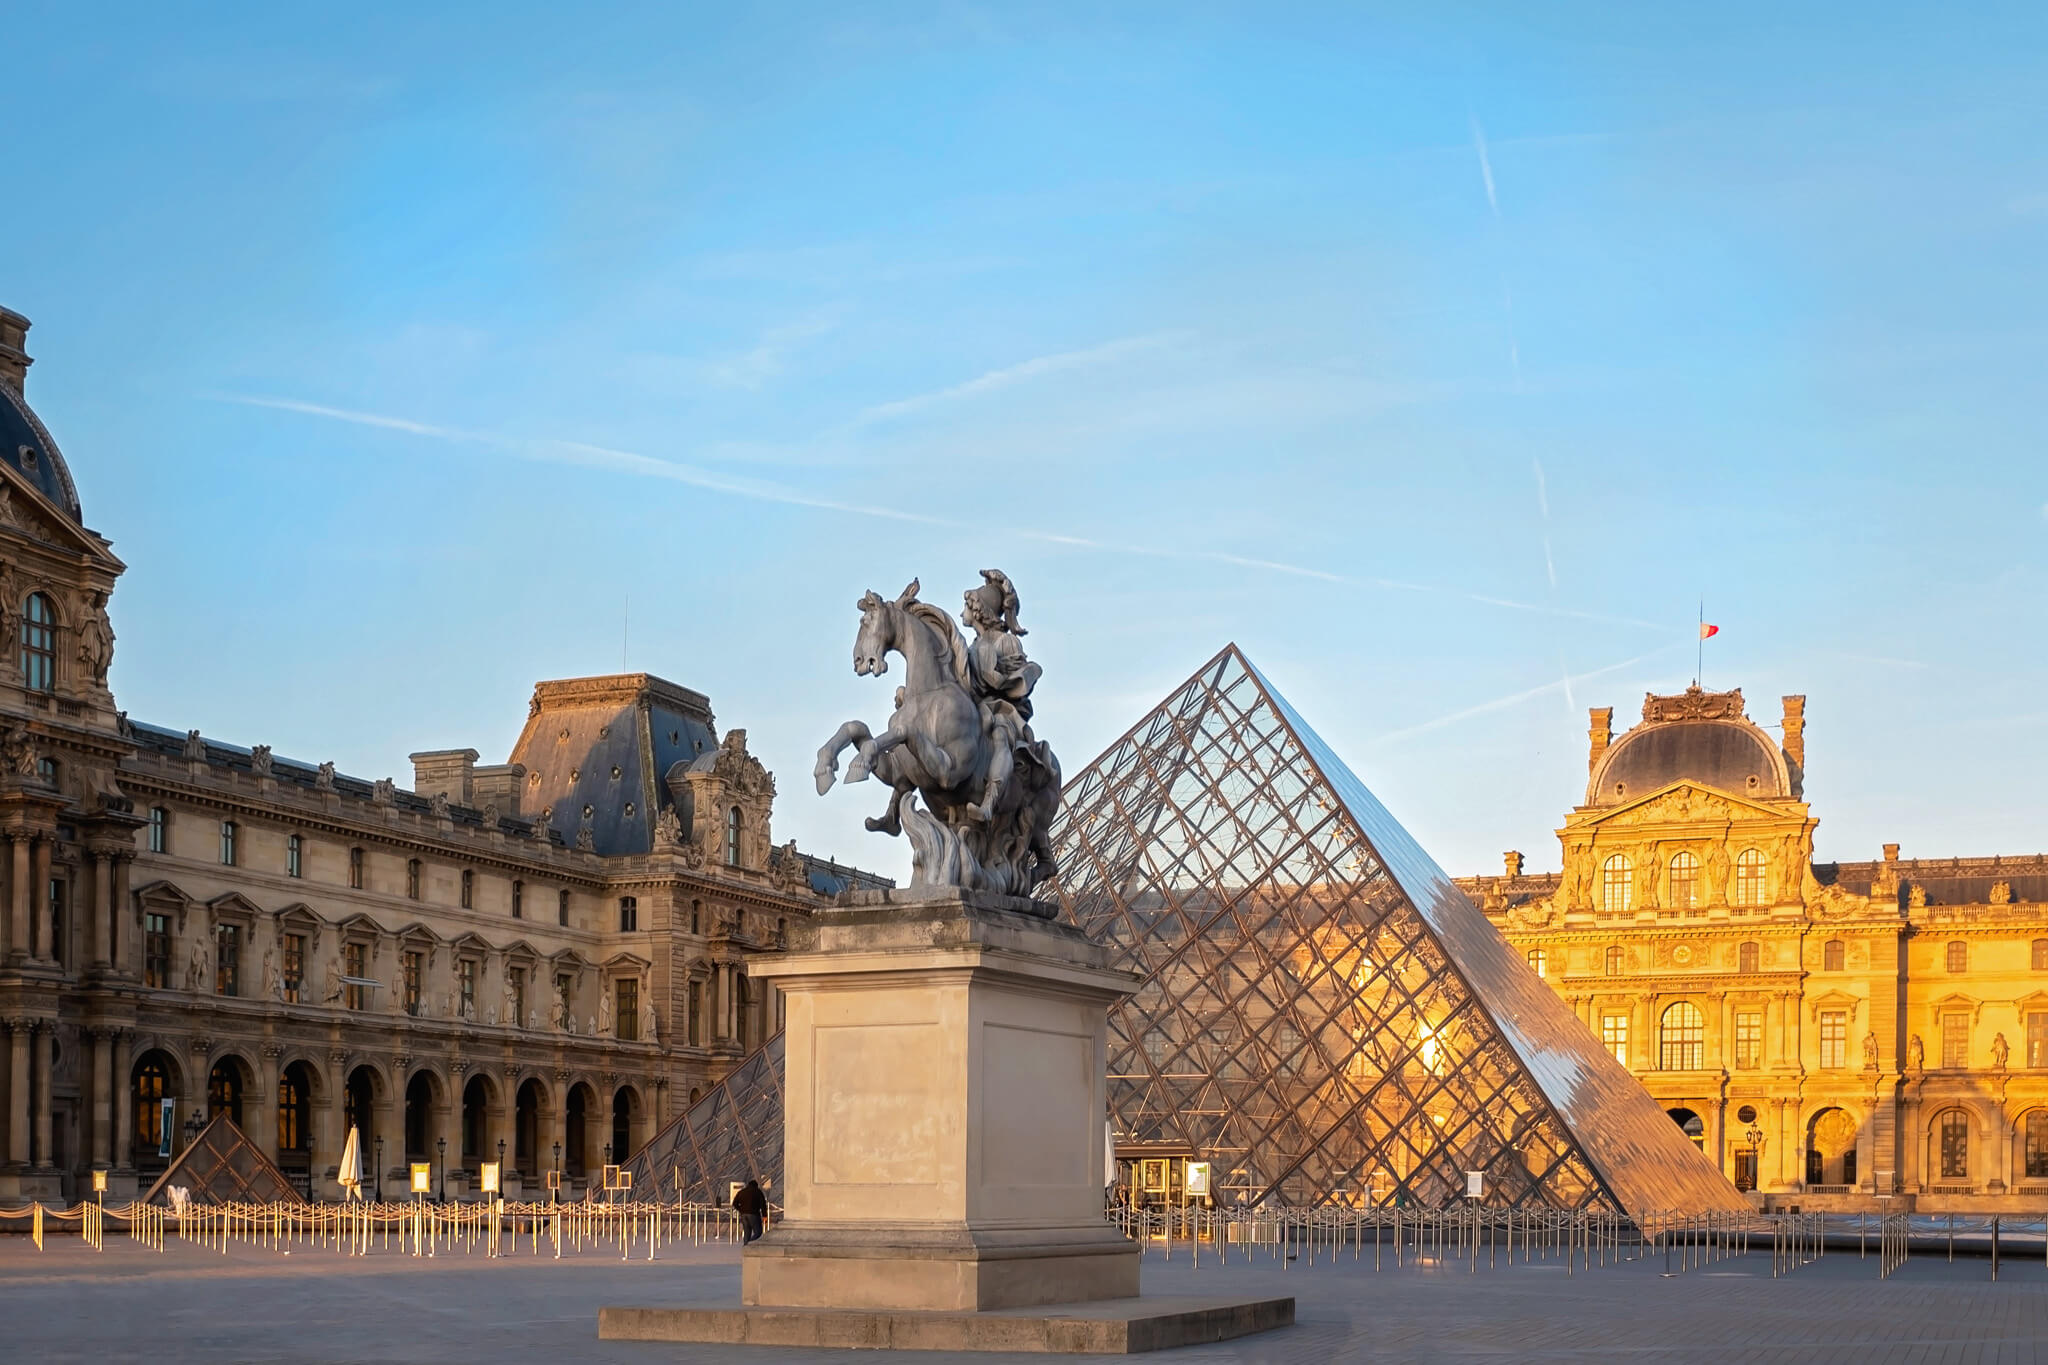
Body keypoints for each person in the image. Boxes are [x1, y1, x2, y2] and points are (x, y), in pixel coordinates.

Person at [733, 1178, 767, 1244]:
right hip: (754, 1214)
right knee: (758, 1232)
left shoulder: (742, 1192)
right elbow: (763, 1204)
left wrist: (740, 1210)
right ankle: (750, 1243)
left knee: (747, 1232)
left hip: (744, 1214)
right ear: (756, 1186)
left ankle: (746, 1247)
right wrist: (764, 1216)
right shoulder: (758, 1192)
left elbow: (734, 1203)